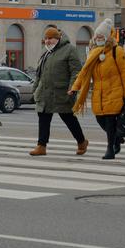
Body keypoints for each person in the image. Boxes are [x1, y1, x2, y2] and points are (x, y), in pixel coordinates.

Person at [70, 19, 125, 159]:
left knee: (110, 121)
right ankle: (116, 138)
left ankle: (110, 149)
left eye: (101, 35)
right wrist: (75, 88)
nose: (99, 38)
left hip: (115, 92)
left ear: (108, 37)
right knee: (100, 119)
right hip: (99, 94)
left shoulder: (117, 51)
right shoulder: (93, 53)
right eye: (97, 35)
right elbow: (84, 73)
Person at [29, 27, 86, 155]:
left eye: (50, 38)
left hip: (62, 92)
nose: (48, 41)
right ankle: (41, 146)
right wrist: (35, 90)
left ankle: (81, 141)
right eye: (46, 39)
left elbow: (76, 71)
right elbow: (39, 74)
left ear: (58, 38)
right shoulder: (46, 53)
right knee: (43, 118)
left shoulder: (69, 50)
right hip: (44, 93)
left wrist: (73, 87)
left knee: (68, 118)